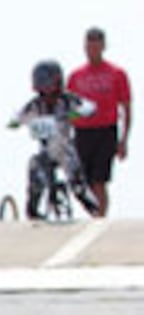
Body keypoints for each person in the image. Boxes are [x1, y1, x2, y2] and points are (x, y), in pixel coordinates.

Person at [11, 60, 101, 219]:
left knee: (77, 184)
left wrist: (77, 113)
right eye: (41, 85)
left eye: (48, 84)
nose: (45, 90)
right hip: (45, 150)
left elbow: (89, 106)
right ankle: (32, 209)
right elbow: (19, 114)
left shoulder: (67, 100)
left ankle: (95, 210)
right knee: (34, 169)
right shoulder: (35, 105)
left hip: (65, 148)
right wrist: (16, 122)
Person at [68, 26, 131, 218]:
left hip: (106, 130)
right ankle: (93, 214)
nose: (92, 50)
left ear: (103, 47)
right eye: (89, 46)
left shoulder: (117, 73)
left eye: (96, 46)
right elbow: (68, 107)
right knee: (83, 182)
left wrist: (123, 140)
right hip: (82, 132)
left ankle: (100, 219)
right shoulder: (76, 76)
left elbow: (126, 107)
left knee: (99, 180)